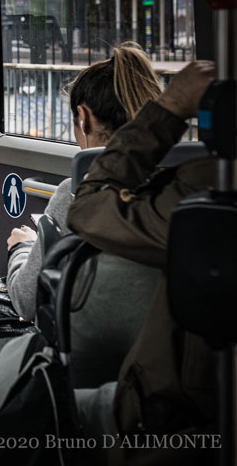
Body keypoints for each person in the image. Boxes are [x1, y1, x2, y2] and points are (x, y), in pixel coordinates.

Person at [0, 43, 163, 459]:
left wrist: (23, 248)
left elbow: (27, 301)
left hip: (88, 349)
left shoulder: (79, 191)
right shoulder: (188, 181)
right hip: (167, 345)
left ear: (82, 117)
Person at [67, 59, 217, 462]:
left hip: (177, 411)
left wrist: (22, 251)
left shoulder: (204, 192)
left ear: (82, 118)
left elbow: (90, 205)